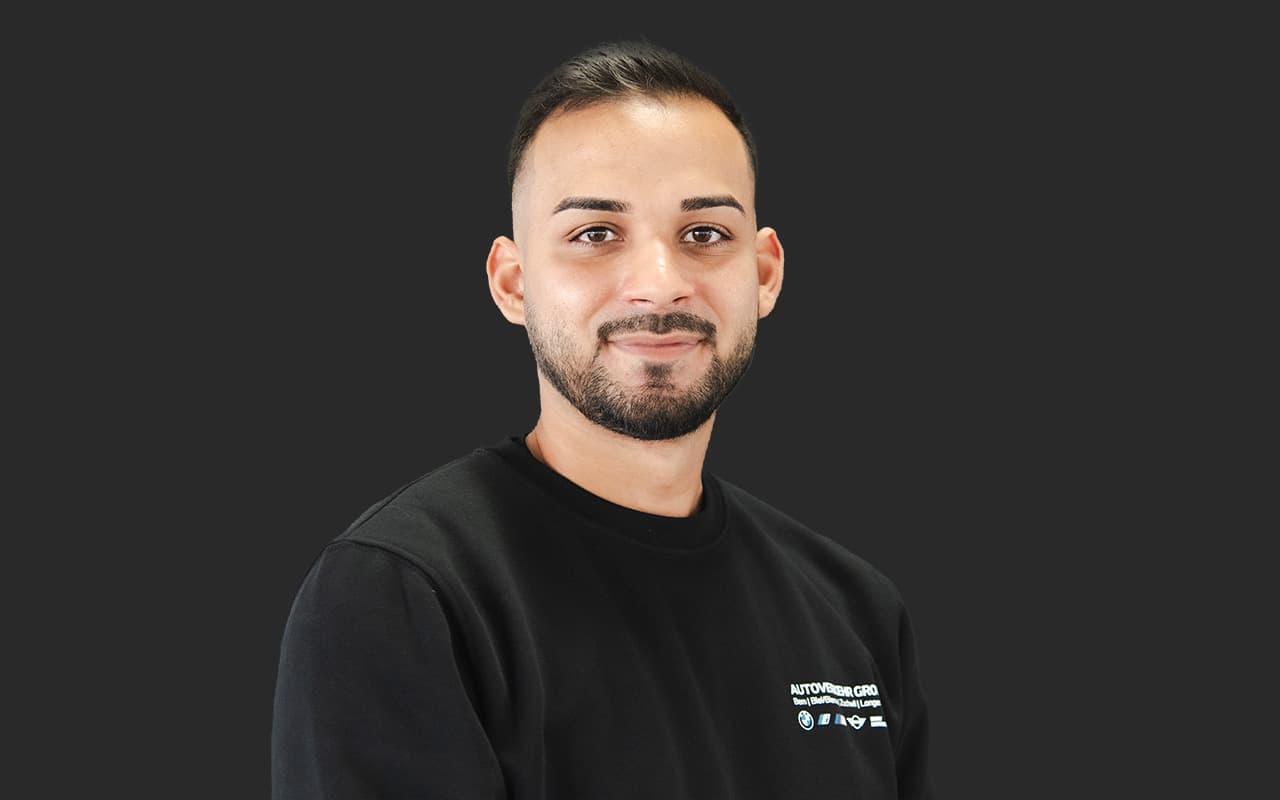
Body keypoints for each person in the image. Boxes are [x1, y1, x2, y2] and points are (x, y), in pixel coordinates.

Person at [271, 39, 933, 799]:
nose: (659, 284)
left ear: (764, 273)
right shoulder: (405, 595)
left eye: (704, 234)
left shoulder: (856, 612)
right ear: (513, 283)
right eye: (595, 234)